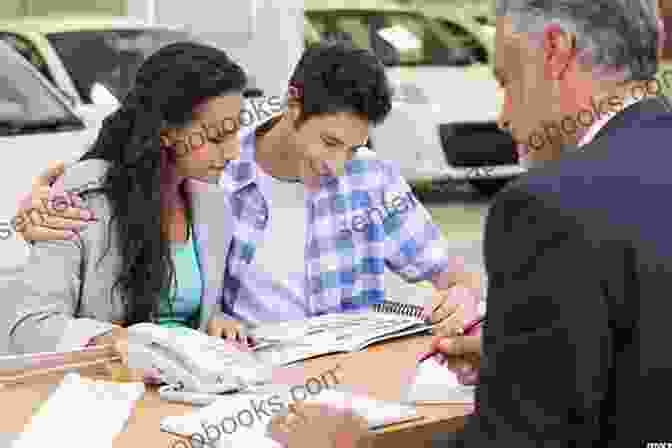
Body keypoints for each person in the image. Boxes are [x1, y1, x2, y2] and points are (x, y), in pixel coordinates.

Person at [266, 0, 672, 446]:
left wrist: (356, 444)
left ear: (556, 51)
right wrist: (519, 357)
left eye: (506, 81)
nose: (502, 117)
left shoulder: (548, 208)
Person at [12, 41, 483, 337]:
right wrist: (37, 205)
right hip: (240, 376)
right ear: (293, 105)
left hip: (346, 371)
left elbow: (452, 273)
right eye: (330, 142)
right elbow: (117, 172)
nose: (340, 165)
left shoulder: (372, 178)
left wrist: (461, 295)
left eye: (354, 147)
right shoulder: (217, 171)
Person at [3, 42, 251, 357]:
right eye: (216, 137)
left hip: (186, 391)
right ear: (166, 131)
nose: (233, 153)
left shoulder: (212, 205)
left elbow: (187, 317)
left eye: (234, 134)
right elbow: (30, 326)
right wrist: (118, 343)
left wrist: (216, 321)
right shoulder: (85, 194)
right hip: (102, 391)